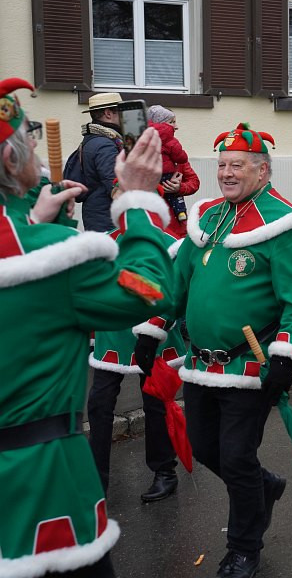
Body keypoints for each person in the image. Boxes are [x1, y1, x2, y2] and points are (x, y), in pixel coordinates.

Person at [0, 77, 175, 578]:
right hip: (41, 485)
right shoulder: (55, 257)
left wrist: (31, 217)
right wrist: (139, 201)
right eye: (29, 140)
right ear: (12, 162)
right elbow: (146, 289)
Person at [172, 122, 292, 578]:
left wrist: (284, 357)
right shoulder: (206, 216)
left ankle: (243, 548)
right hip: (198, 364)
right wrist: (152, 328)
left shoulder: (284, 223)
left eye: (237, 166)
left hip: (249, 365)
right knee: (204, 448)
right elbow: (179, 284)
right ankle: (263, 485)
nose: (226, 174)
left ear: (262, 171)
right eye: (222, 166)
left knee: (235, 455)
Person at [86, 189, 187, 503]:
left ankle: (164, 472)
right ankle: (94, 480)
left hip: (154, 338)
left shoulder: (168, 243)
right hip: (111, 338)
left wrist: (126, 282)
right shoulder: (102, 243)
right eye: (118, 191)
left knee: (156, 405)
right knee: (99, 406)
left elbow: (173, 294)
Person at [63, 92, 126, 232]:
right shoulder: (105, 144)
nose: (124, 116)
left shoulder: (92, 140)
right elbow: (114, 183)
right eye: (120, 111)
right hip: (108, 220)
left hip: (97, 216)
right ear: (108, 113)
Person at [147, 104, 200, 236]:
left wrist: (179, 188)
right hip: (152, 222)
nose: (176, 127)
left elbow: (194, 182)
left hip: (177, 225)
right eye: (172, 122)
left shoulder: (176, 151)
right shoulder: (141, 151)